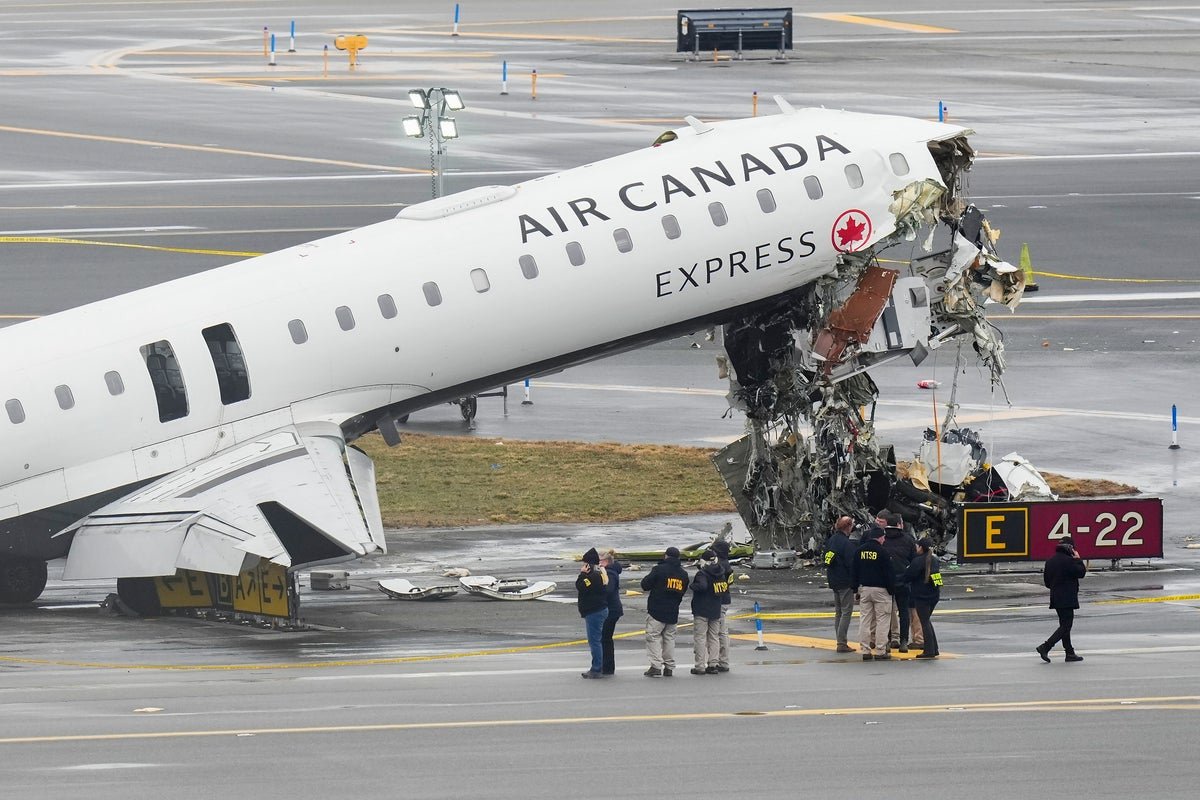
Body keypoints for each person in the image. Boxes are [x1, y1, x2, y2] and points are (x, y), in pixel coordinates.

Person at [640, 546, 688, 677]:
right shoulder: (683, 574)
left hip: (657, 609)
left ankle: (655, 665)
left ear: (666, 556)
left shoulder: (659, 569)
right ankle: (669, 666)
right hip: (673, 610)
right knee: (669, 638)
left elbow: (645, 584)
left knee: (653, 636)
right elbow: (683, 591)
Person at [1037, 536, 1087, 663]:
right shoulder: (1070, 561)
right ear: (1070, 548)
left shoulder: (1050, 561)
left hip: (1055, 597)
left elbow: (1047, 582)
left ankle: (1069, 652)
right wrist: (1078, 559)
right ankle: (1046, 646)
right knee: (1066, 626)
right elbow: (1081, 573)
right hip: (1067, 597)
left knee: (1064, 626)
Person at [852, 525, 894, 661]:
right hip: (881, 590)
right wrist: (892, 590)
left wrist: (855, 589)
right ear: (880, 537)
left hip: (864, 589)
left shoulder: (859, 551)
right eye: (883, 538)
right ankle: (881, 650)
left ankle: (865, 650)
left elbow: (854, 572)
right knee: (882, 620)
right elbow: (889, 574)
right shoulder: (883, 552)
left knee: (865, 620)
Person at [881, 511, 917, 652]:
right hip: (903, 581)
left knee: (886, 613)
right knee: (903, 613)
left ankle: (888, 640)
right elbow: (914, 560)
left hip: (886, 582)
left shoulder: (883, 538)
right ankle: (903, 641)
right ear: (898, 524)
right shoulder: (908, 539)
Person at [904, 537, 942, 659]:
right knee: (927, 621)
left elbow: (908, 576)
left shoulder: (917, 561)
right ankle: (934, 648)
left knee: (924, 622)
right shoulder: (935, 560)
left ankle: (929, 650)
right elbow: (937, 581)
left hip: (921, 596)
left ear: (920, 547)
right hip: (933, 596)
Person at [823, 516, 856, 653]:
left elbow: (826, 559)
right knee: (846, 612)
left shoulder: (831, 541)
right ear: (848, 527)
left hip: (834, 580)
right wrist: (855, 583)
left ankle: (839, 640)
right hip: (845, 582)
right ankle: (842, 643)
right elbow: (851, 564)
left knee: (838, 613)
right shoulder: (846, 544)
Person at [576, 547, 609, 678]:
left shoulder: (592, 576)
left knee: (594, 641)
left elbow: (581, 586)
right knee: (597, 640)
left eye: (584, 564)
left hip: (594, 611)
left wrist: (582, 574)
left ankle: (596, 668)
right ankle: (599, 666)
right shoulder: (600, 574)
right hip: (599, 609)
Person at [690, 549, 725, 674]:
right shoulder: (721, 572)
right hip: (716, 608)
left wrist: (692, 586)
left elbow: (702, 586)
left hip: (702, 608)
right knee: (714, 637)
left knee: (700, 638)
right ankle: (713, 664)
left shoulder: (702, 574)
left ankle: (700, 666)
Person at [599, 549, 623, 675]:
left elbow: (608, 589)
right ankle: (607, 666)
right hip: (612, 609)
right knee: (606, 638)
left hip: (611, 610)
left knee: (605, 638)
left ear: (606, 562)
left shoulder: (610, 573)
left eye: (600, 561)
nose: (598, 564)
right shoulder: (611, 571)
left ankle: (607, 667)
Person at [711, 539, 735, 672]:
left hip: (719, 601)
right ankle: (722, 660)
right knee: (721, 631)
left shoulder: (720, 566)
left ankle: (722, 661)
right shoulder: (727, 565)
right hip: (725, 599)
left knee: (720, 632)